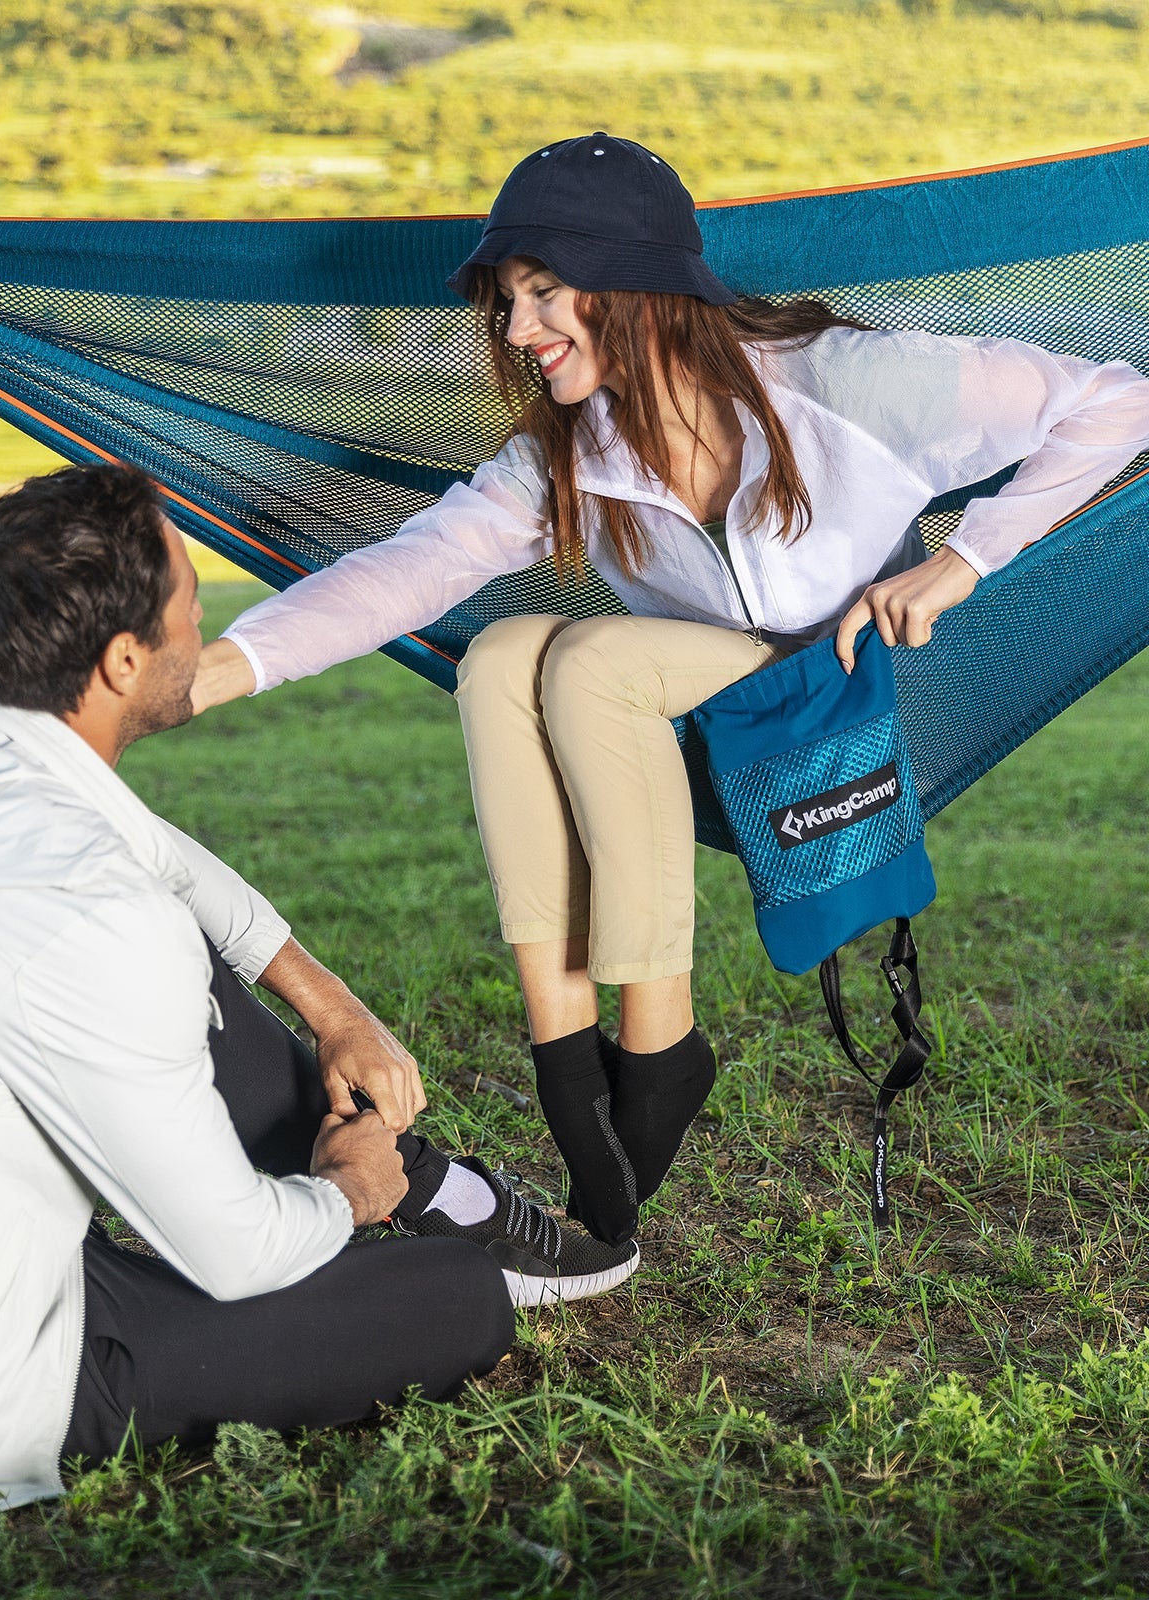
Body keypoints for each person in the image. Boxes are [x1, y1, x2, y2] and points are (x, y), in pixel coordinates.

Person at [0, 463, 639, 1524]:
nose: (207, 627)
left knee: (191, 955)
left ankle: (431, 1183)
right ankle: (419, 1204)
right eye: (194, 606)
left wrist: (330, 1002)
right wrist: (346, 1191)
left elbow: (161, 857)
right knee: (448, 1304)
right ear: (122, 660)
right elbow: (235, 1254)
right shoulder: (92, 919)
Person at [192, 132, 1149, 1251]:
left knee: (594, 661)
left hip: (851, 698)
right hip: (704, 719)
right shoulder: (566, 453)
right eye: (507, 301)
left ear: (638, 286)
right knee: (499, 658)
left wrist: (961, 560)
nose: (516, 331)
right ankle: (564, 1052)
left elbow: (1116, 402)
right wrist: (223, 668)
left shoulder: (848, 386)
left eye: (543, 293)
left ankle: (658, 1046)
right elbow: (409, 569)